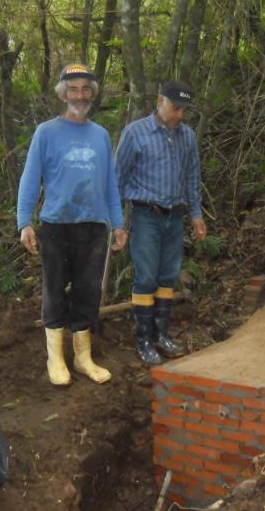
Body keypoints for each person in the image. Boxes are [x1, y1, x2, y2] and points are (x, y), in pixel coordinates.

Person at [17, 63, 127, 386]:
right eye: (73, 89)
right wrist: (25, 222)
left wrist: (117, 224)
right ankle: (56, 358)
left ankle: (82, 358)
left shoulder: (101, 135)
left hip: (93, 227)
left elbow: (110, 185)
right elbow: (30, 179)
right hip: (56, 225)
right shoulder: (46, 133)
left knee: (88, 291)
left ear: (93, 93)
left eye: (85, 89)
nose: (80, 95)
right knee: (54, 290)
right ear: (63, 94)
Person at [115, 80, 207, 366]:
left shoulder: (187, 136)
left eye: (184, 110)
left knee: (168, 275)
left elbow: (192, 177)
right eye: (175, 108)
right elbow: (117, 178)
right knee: (146, 277)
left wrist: (196, 215)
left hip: (175, 216)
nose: (180, 114)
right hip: (145, 215)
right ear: (160, 101)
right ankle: (143, 339)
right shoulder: (136, 133)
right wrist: (116, 221)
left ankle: (161, 335)